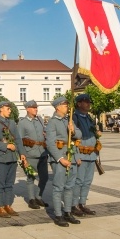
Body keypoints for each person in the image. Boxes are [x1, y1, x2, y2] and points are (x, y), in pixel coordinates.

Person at [46, 96, 82, 227]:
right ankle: (58, 215)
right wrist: (60, 159)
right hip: (59, 158)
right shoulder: (52, 122)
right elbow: (50, 143)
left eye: (67, 105)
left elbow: (79, 135)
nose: (67, 107)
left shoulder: (69, 120)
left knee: (69, 187)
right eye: (65, 105)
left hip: (71, 156)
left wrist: (73, 130)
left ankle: (67, 212)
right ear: (58, 107)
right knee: (58, 187)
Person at [0, 101, 26, 218]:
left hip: (13, 157)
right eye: (8, 109)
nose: (10, 111)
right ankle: (0, 207)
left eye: (10, 109)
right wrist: (6, 146)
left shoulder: (12, 123)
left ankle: (8, 205)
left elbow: (18, 139)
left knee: (10, 183)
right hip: (1, 157)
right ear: (1, 109)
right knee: (1, 183)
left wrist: (22, 153)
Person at [18, 100, 49, 209]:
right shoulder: (22, 122)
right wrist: (22, 155)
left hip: (42, 153)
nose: (36, 109)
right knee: (31, 177)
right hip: (30, 153)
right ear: (27, 109)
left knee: (44, 177)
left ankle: (38, 197)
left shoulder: (40, 120)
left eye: (36, 107)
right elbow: (19, 140)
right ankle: (31, 200)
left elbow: (44, 132)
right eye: (33, 107)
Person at [71, 94, 97, 217]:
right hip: (81, 154)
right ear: (79, 104)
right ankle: (74, 205)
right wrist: (76, 156)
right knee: (79, 181)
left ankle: (82, 203)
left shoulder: (89, 118)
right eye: (85, 102)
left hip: (91, 154)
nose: (88, 104)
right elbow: (72, 138)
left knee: (87, 181)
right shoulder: (74, 118)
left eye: (88, 101)